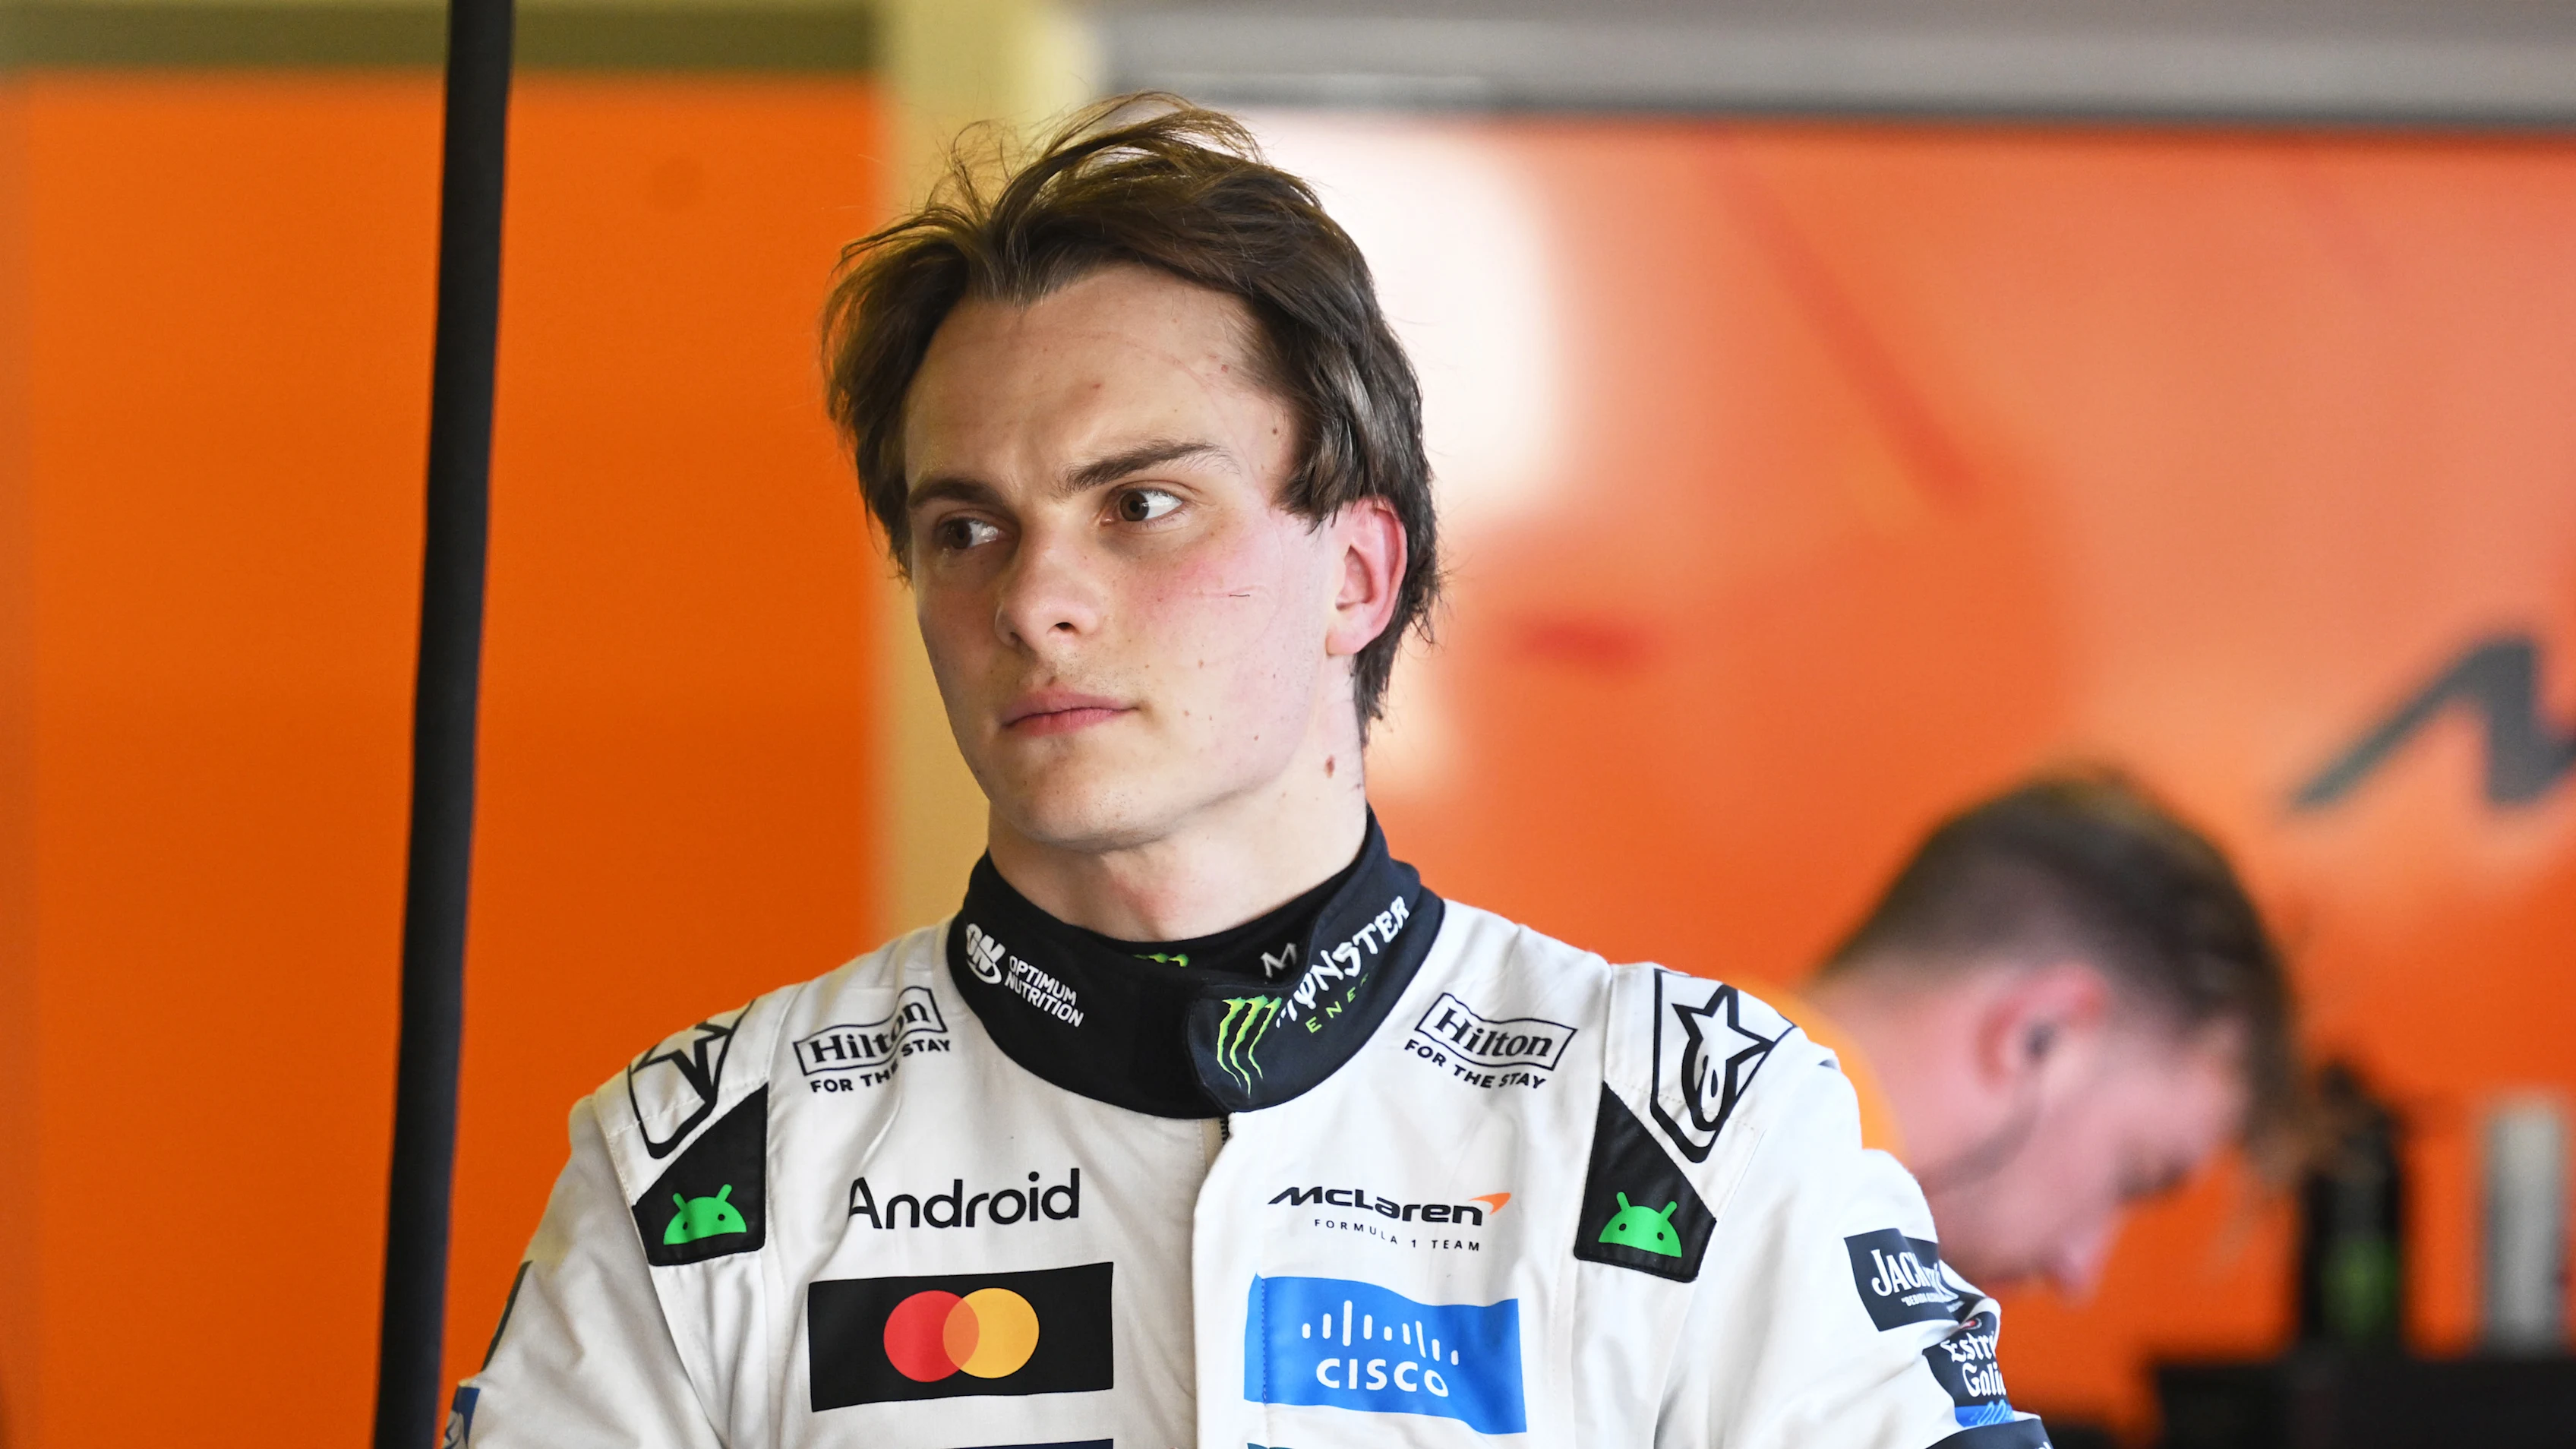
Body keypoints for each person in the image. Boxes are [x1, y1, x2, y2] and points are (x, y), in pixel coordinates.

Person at [448, 99, 2048, 1449]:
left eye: (1140, 505)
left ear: (1356, 573)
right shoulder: (708, 1159)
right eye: (965, 527)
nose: (1034, 599)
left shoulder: (1696, 1133)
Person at [1793, 772, 2301, 1297]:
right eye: (2132, 1177)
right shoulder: (1816, 1288)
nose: (2078, 1272)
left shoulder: (1758, 1151)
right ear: (2041, 1033)